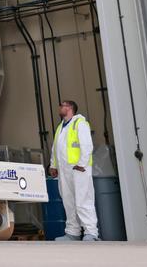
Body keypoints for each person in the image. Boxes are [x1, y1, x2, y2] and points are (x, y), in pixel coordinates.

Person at [48, 99, 99, 241]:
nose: (60, 108)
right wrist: (53, 165)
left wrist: (82, 164)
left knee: (83, 200)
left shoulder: (79, 123)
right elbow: (55, 148)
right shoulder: (61, 127)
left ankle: (91, 232)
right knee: (68, 202)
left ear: (70, 108)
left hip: (78, 169)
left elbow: (86, 145)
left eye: (62, 105)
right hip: (64, 171)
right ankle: (73, 232)